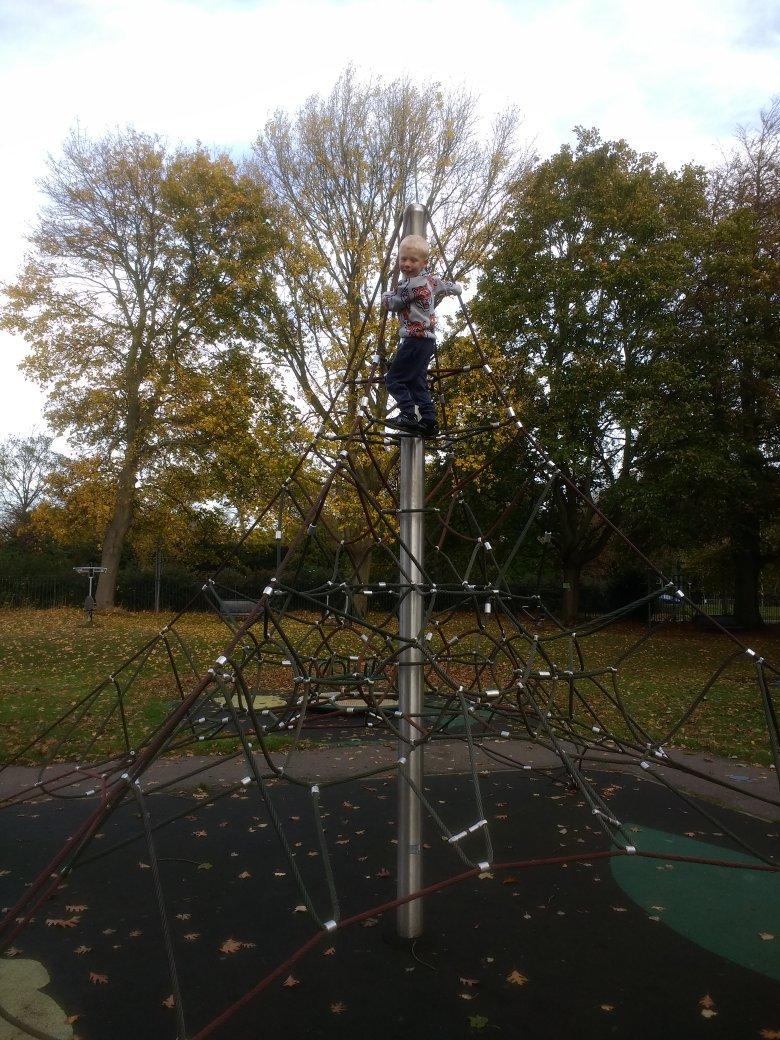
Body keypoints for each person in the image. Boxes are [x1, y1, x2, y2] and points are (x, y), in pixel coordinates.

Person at [381, 234, 461, 437]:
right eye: (403, 259)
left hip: (413, 340)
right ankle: (429, 420)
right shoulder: (431, 281)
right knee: (417, 382)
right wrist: (456, 288)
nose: (406, 264)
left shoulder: (407, 286)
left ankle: (408, 413)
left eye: (412, 260)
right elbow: (449, 286)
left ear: (424, 262)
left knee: (393, 379)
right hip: (427, 342)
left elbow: (393, 303)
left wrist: (385, 295)